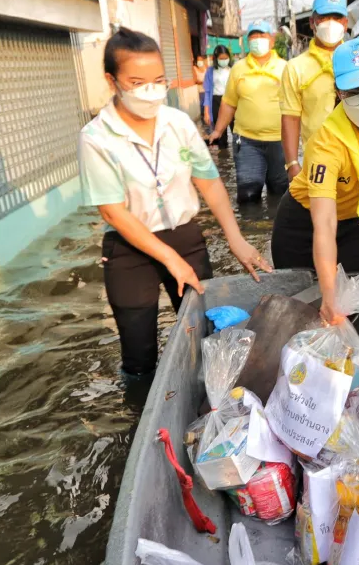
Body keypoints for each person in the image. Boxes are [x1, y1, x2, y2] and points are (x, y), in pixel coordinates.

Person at [79, 28, 272, 378]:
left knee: (204, 336)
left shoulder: (178, 123)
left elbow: (210, 183)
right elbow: (112, 211)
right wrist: (170, 260)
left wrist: (235, 238)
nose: (150, 90)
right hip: (130, 246)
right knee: (139, 356)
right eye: (137, 82)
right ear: (112, 81)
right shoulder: (96, 137)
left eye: (158, 80)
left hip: (185, 237)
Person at [270, 37, 359, 324]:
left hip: (353, 220)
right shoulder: (325, 143)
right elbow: (324, 223)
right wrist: (328, 297)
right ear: (339, 91)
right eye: (355, 92)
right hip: (303, 225)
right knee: (301, 308)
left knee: (348, 308)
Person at [207, 20, 288, 203]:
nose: (257, 39)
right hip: (246, 141)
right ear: (247, 40)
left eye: (262, 35)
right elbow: (229, 103)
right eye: (253, 35)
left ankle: (276, 231)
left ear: (272, 40)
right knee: (248, 195)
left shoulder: (285, 68)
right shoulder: (238, 69)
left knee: (280, 193)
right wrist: (218, 131)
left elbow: (296, 105)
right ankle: (247, 230)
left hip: (279, 141)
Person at [279, 0, 349, 181]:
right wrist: (292, 164)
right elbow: (291, 118)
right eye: (324, 17)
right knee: (320, 211)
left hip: (357, 159)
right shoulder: (295, 68)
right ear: (312, 22)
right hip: (318, 162)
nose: (331, 23)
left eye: (337, 17)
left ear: (346, 23)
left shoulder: (357, 59)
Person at [202, 45, 232, 152]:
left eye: (225, 58)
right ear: (216, 58)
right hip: (216, 102)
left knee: (236, 131)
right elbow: (207, 92)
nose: (224, 60)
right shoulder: (210, 71)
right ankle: (224, 155)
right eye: (221, 58)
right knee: (220, 133)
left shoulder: (233, 70)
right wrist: (206, 112)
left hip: (232, 101)